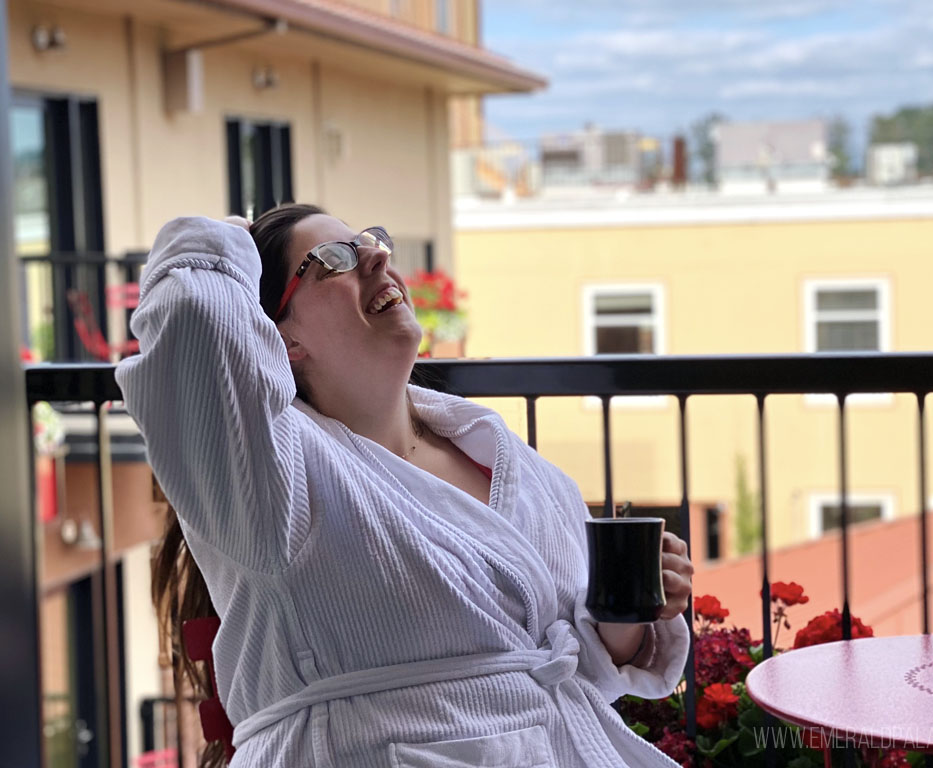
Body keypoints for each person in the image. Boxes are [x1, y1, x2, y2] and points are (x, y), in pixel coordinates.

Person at [117, 205, 693, 767]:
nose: (377, 254)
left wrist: (627, 617)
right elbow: (191, 325)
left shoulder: (508, 460)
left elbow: (570, 665)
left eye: (370, 239)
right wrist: (227, 242)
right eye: (334, 259)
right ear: (282, 342)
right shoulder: (274, 473)